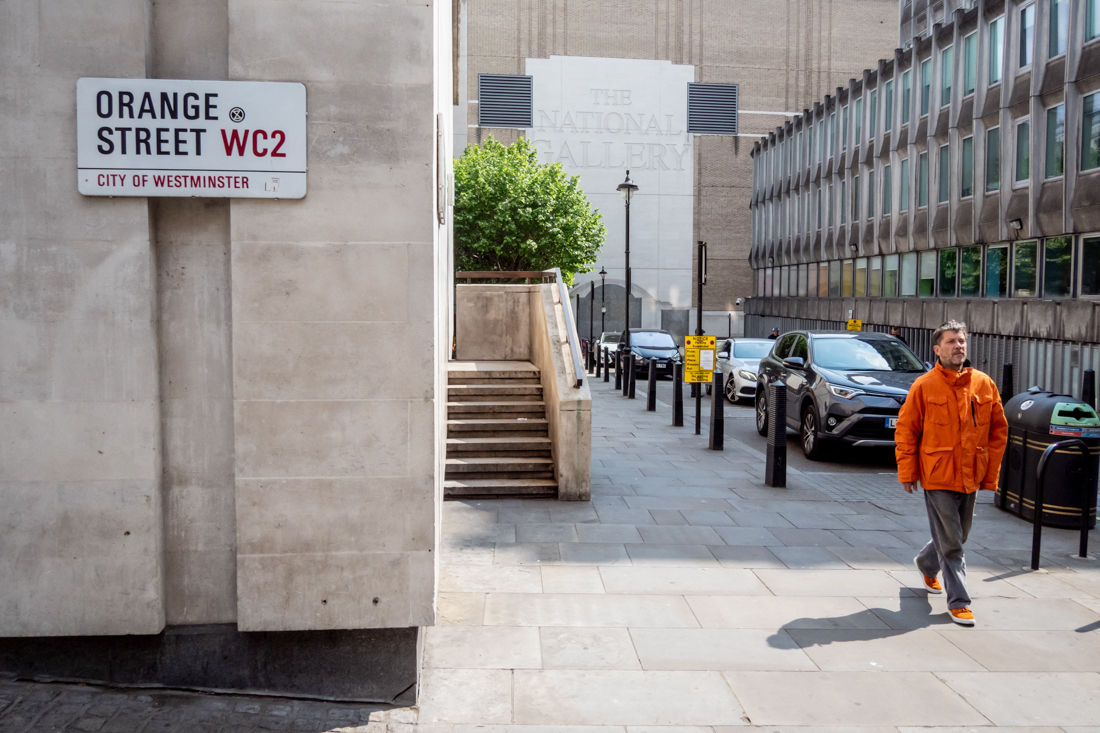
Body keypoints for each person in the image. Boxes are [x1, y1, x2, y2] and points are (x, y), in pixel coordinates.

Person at [894, 320, 1008, 626]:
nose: (958, 346)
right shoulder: (924, 385)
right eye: (951, 342)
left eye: (962, 341)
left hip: (971, 473)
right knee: (953, 541)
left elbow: (999, 431)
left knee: (960, 533)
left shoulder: (983, 384)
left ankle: (925, 562)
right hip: (936, 474)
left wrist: (990, 474)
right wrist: (908, 472)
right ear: (937, 349)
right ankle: (959, 601)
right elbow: (906, 431)